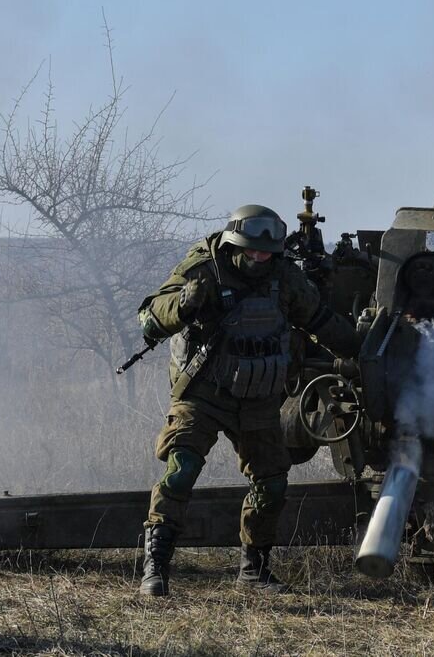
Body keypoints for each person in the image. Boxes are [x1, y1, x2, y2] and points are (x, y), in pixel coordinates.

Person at [135, 204, 360, 596]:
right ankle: (155, 568)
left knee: (271, 482)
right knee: (181, 470)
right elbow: (150, 318)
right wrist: (185, 303)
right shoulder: (204, 267)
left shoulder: (284, 277)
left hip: (258, 397)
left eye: (266, 253)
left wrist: (363, 348)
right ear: (235, 244)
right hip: (203, 391)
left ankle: (253, 572)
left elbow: (319, 320)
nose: (259, 259)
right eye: (252, 251)